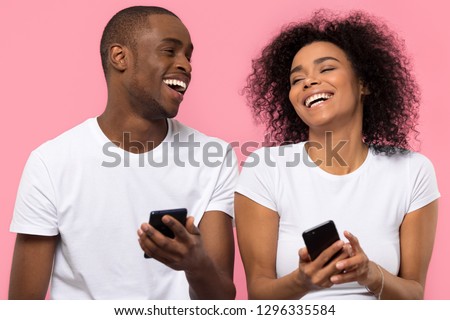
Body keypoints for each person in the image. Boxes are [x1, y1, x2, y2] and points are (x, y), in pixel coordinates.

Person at [9, 6, 237, 299]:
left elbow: (221, 302)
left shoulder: (215, 158)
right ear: (120, 57)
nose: (186, 66)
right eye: (170, 51)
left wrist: (195, 264)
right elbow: (23, 307)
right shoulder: (51, 163)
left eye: (188, 56)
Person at [235, 10, 440, 299]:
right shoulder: (264, 169)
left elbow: (414, 295)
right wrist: (302, 281)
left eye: (326, 69)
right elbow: (258, 295)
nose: (308, 82)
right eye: (297, 79)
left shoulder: (412, 171)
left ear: (364, 83)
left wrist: (370, 274)